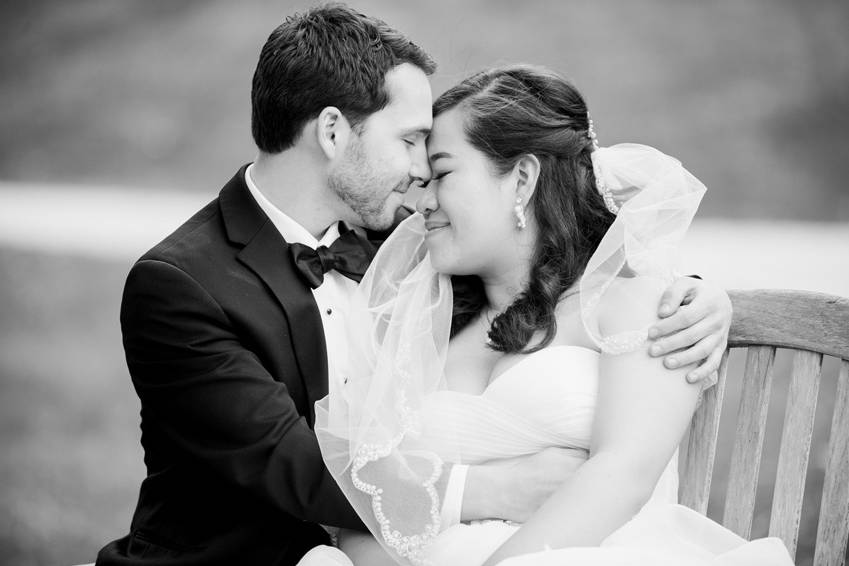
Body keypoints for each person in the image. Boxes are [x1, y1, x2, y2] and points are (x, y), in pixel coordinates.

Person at [96, 6, 733, 566]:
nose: (417, 178)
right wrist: (496, 488)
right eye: (408, 142)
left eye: (434, 161)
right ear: (332, 132)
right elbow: (295, 467)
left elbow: (576, 271)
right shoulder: (182, 285)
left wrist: (700, 297)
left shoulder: (403, 253)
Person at [311, 65, 792, 565]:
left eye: (445, 174)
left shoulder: (639, 308)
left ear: (521, 178)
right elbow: (366, 499)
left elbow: (623, 472)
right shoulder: (419, 324)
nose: (423, 202)